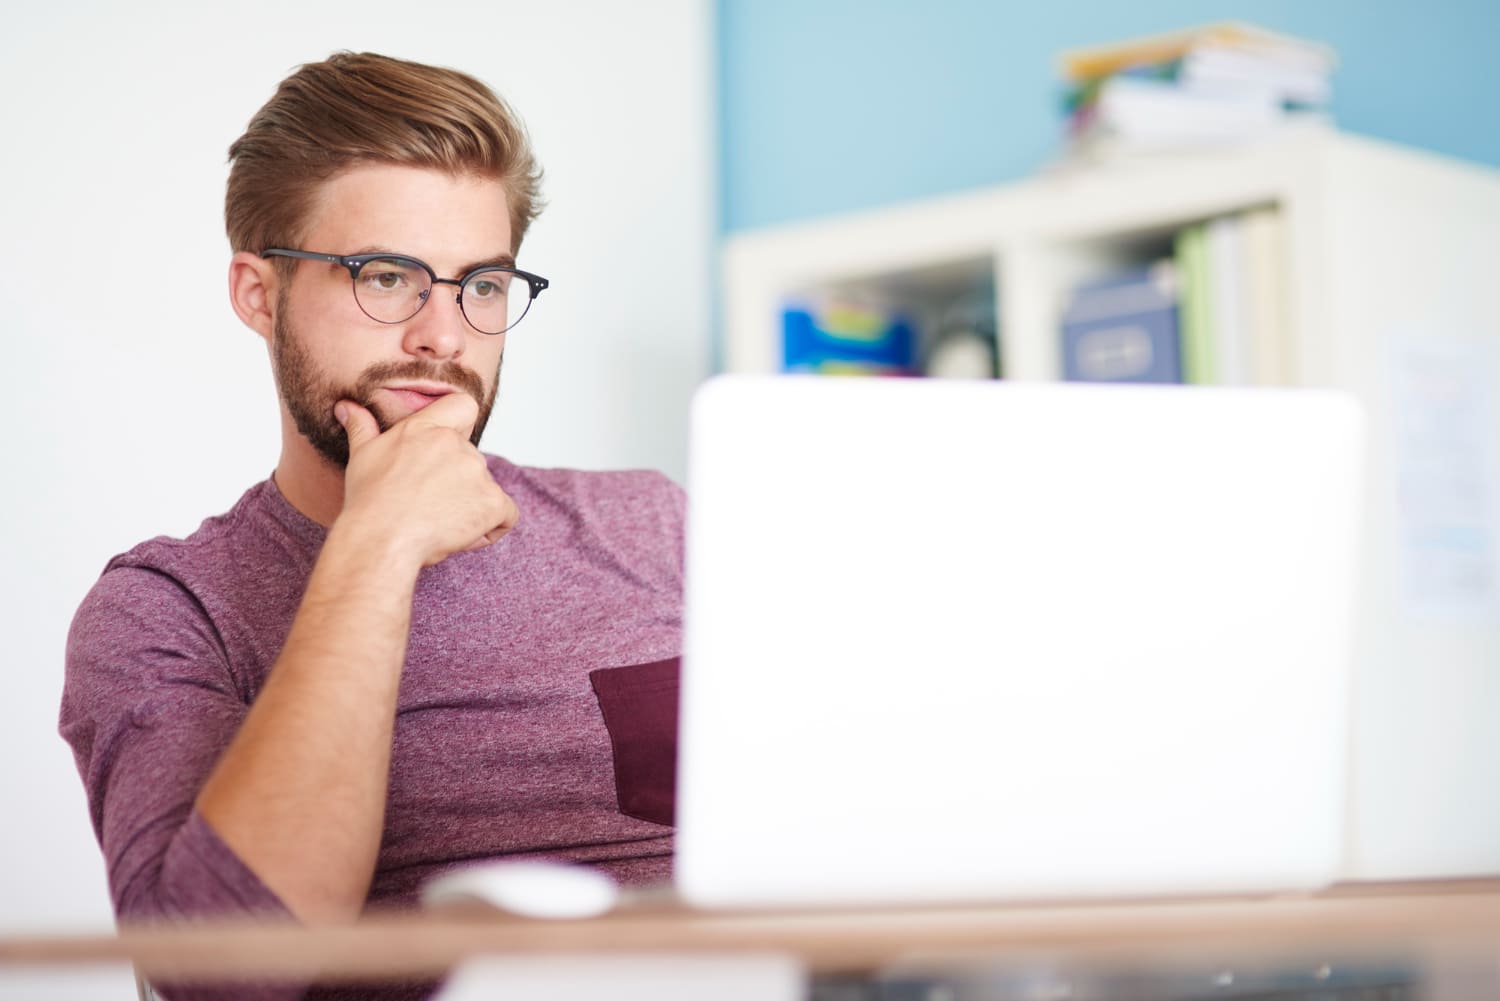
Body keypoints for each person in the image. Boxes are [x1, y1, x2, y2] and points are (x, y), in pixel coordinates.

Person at [58, 49, 684, 972]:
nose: (443, 333)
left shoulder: (654, 526)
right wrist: (378, 541)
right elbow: (219, 974)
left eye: (482, 285)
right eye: (387, 277)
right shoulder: (166, 609)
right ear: (259, 295)